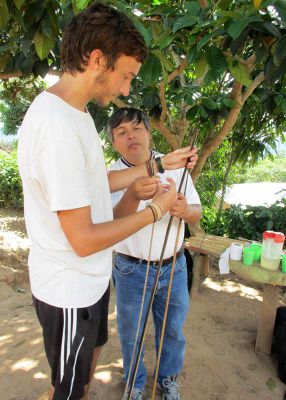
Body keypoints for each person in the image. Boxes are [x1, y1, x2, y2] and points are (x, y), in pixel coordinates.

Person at [17, 3, 198, 400]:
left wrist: (156, 166)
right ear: (99, 60)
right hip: (69, 293)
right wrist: (155, 211)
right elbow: (82, 239)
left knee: (81, 379)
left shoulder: (75, 113)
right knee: (67, 390)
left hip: (91, 283)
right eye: (127, 75)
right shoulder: (57, 130)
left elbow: (93, 181)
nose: (127, 89)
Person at [107, 108, 202, 400]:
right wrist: (133, 194)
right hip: (130, 269)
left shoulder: (175, 167)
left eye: (136, 128)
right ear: (113, 142)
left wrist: (184, 210)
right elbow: (111, 225)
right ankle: (134, 385)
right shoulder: (111, 174)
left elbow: (196, 214)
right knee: (131, 334)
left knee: (172, 330)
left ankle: (168, 378)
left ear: (149, 132)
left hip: (173, 267)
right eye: (121, 132)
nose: (130, 136)